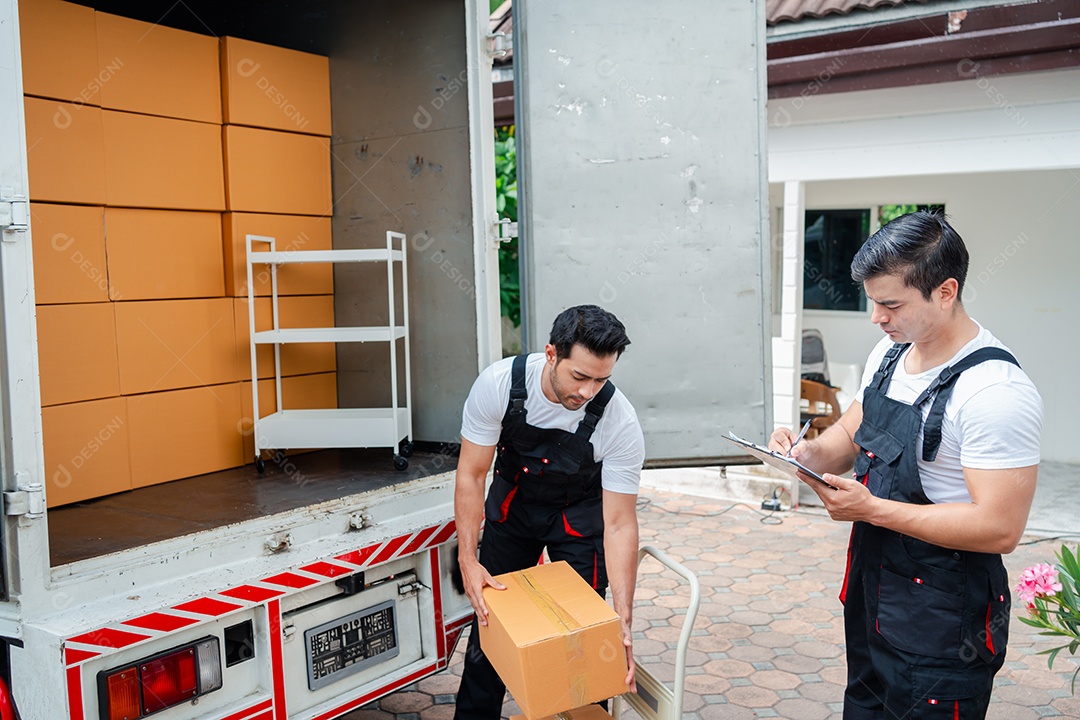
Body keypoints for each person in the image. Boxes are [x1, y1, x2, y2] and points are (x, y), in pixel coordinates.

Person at [770, 211, 1042, 719]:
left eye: (890, 304)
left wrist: (873, 509)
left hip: (944, 617)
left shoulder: (994, 392)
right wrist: (803, 455)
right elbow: (852, 432)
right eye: (873, 302)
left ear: (945, 291)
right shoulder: (890, 353)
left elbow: (1000, 528)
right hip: (876, 592)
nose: (877, 316)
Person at [453, 305, 645, 720]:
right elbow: (471, 474)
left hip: (577, 519)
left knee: (586, 639)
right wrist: (467, 559)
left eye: (602, 379)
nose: (589, 391)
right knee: (490, 629)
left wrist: (623, 617)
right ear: (552, 354)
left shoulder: (620, 421)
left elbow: (619, 523)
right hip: (513, 510)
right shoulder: (500, 384)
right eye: (580, 376)